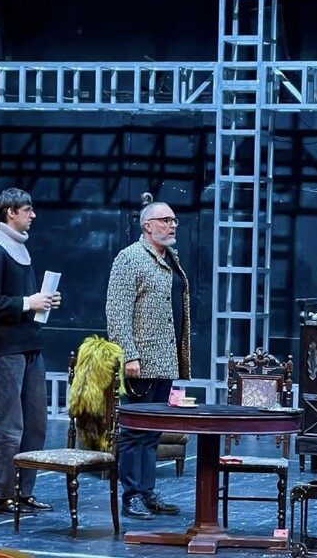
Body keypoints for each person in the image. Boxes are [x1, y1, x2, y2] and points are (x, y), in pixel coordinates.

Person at [0, 188, 61, 515]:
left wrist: (42, 302)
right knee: (4, 424)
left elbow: (23, 301)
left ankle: (23, 490)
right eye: (27, 209)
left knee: (34, 425)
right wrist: (27, 302)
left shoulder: (20, 248)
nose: (33, 215)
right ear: (11, 212)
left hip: (29, 346)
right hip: (5, 349)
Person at [106, 192, 191, 520]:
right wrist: (128, 355)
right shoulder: (130, 258)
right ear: (147, 226)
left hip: (165, 360)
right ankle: (132, 496)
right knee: (134, 432)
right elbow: (117, 312)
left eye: (174, 220)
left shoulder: (170, 258)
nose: (172, 225)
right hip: (140, 361)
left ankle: (148, 491)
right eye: (165, 220)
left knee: (153, 431)